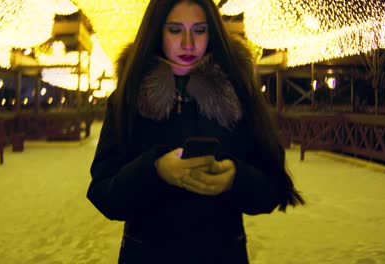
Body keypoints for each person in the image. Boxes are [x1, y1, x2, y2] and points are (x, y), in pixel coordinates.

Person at [87, 0, 305, 263]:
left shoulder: (238, 95)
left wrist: (236, 177)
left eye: (199, 30)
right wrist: (154, 170)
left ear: (212, 32)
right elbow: (104, 194)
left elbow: (274, 188)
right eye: (175, 30)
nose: (188, 43)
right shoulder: (128, 98)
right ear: (157, 32)